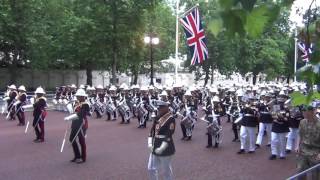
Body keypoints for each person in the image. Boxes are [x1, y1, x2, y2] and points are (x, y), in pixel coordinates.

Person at [148, 100, 176, 180]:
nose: (159, 109)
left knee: (166, 170)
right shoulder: (157, 117)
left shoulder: (171, 119)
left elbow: (169, 134)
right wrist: (149, 143)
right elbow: (152, 131)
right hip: (155, 145)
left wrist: (162, 148)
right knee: (151, 168)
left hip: (166, 147)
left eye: (161, 108)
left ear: (166, 108)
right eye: (159, 108)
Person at [295, 104, 320, 179]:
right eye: (303, 112)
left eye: (306, 112)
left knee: (315, 175)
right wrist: (297, 146)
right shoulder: (302, 122)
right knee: (300, 172)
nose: (304, 114)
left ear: (313, 112)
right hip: (303, 150)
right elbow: (300, 134)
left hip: (315, 152)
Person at [69, 89, 90, 164]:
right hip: (75, 123)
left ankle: (83, 157)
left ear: (82, 96)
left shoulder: (86, 104)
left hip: (82, 124)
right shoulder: (76, 103)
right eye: (77, 96)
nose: (77, 97)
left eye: (78, 96)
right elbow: (74, 112)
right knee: (71, 139)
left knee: (81, 141)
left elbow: (82, 114)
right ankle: (77, 156)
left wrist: (72, 116)